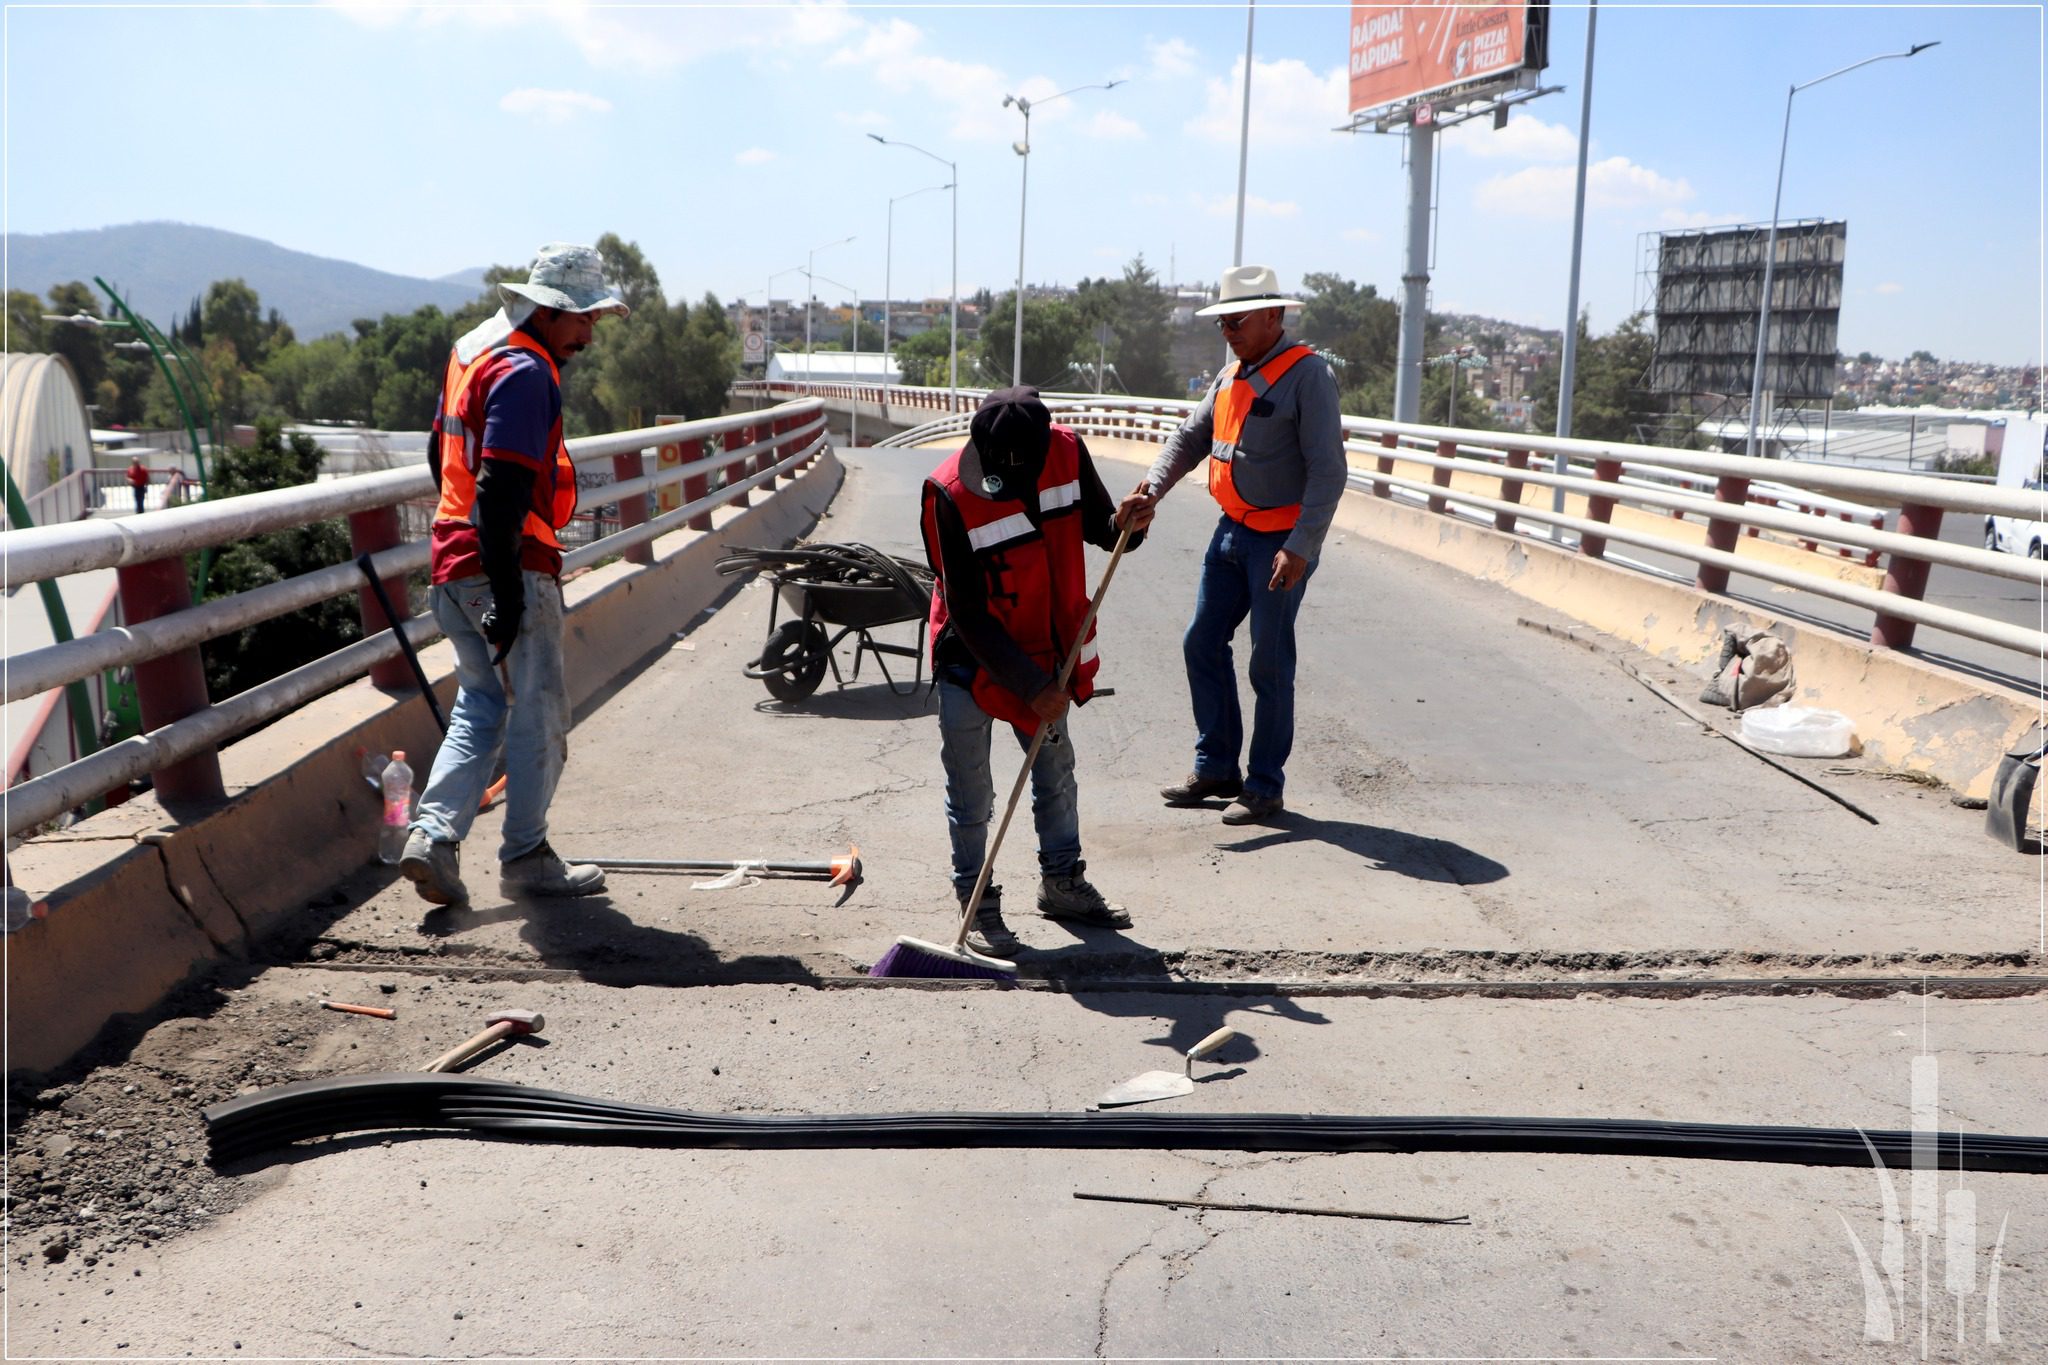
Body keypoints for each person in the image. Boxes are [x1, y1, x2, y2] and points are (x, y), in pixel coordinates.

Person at [398, 243, 627, 906]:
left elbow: (440, 456)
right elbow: (500, 488)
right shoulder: (528, 372)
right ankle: (526, 856)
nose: (589, 332)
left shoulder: (474, 355)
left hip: (449, 561)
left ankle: (433, 836)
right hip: (509, 563)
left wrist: (472, 562)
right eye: (583, 318)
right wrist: (504, 588)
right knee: (540, 712)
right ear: (550, 311)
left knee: (481, 704)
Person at [1116, 265, 1346, 826]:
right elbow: (1189, 439)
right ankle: (1217, 765)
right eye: (1222, 321)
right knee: (1202, 641)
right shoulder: (1230, 375)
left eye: (1237, 320)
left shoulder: (1307, 376)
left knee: (1268, 662)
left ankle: (1266, 785)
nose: (1228, 330)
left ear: (1275, 316)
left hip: (1280, 541)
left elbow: (1328, 472)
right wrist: (1150, 491)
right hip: (1231, 532)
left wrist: (1301, 546)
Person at [919, 387, 1144, 956]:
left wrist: (1128, 524)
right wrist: (1031, 688)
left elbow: (1102, 528)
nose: (1019, 477)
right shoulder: (948, 494)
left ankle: (1062, 883)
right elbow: (967, 612)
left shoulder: (1067, 452)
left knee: (1055, 773)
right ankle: (977, 902)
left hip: (1048, 653)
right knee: (972, 792)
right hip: (972, 661)